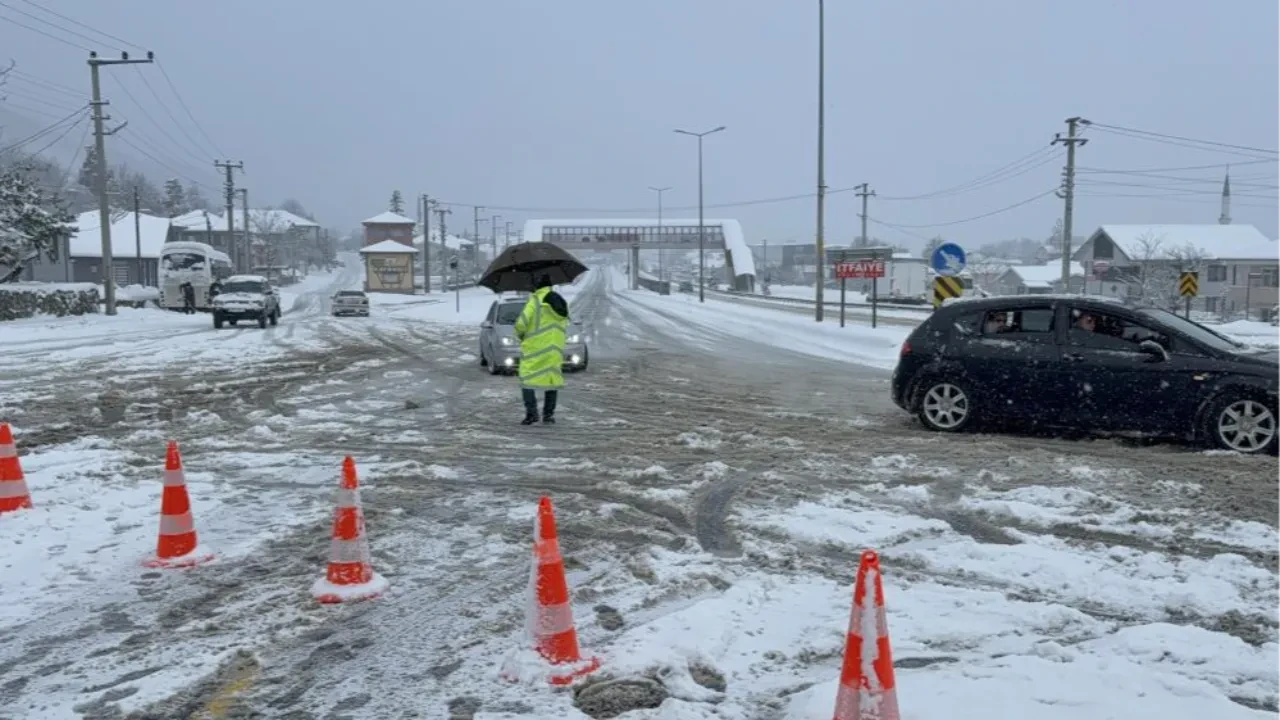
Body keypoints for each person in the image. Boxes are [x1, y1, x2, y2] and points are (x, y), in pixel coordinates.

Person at [514, 275, 570, 425]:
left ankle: (532, 414)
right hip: (554, 349)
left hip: (535, 348)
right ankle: (548, 415)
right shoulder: (559, 301)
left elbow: (522, 323)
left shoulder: (535, 300)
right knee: (551, 380)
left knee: (526, 380)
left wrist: (521, 335)